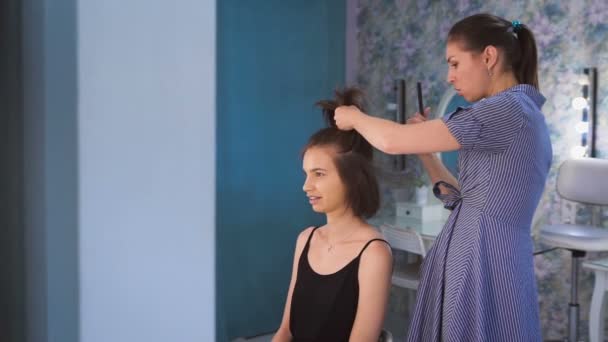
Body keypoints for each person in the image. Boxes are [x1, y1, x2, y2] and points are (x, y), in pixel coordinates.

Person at [334, 13, 551, 342]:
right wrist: (426, 152)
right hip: (481, 252)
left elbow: (391, 141)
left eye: (454, 63)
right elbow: (465, 198)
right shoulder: (518, 111)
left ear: (489, 57)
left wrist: (355, 117)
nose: (450, 77)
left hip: (482, 259)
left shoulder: (507, 109)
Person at [272, 88, 393, 342]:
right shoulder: (306, 239)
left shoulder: (374, 253)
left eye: (319, 174)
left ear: (352, 179)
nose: (306, 186)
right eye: (306, 174)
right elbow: (286, 331)